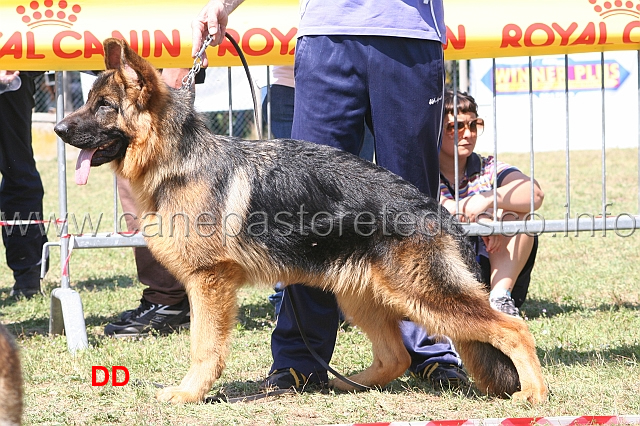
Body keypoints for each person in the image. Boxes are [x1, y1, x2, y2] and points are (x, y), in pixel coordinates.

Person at [193, 0, 468, 392]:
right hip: (327, 33)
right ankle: (300, 360)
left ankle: (431, 351)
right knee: (301, 208)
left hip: (409, 32)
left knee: (411, 203)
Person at [99, 68, 196, 336]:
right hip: (134, 67)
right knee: (133, 182)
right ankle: (171, 298)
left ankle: (167, 301)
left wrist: (179, 66)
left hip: (166, 70)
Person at [438, 91, 544, 316]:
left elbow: (535, 195)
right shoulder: (424, 172)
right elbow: (439, 206)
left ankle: (500, 299)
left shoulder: (488, 167)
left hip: (492, 270)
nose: (467, 134)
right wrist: (481, 216)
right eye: (454, 126)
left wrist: (488, 200)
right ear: (435, 130)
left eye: (474, 125)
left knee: (518, 215)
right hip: (445, 274)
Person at [0, 70, 48, 299]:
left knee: (18, 172)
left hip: (11, 73)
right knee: (19, 174)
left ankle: (28, 273)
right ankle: (28, 272)